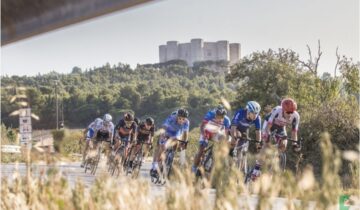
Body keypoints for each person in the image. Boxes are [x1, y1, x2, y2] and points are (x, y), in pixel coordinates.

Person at [150, 108, 190, 177]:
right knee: (162, 148)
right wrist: (163, 135)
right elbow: (164, 127)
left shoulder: (186, 122)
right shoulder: (172, 118)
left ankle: (171, 156)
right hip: (167, 131)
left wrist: (184, 142)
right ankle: (155, 167)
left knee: (177, 141)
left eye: (183, 119)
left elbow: (185, 133)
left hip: (176, 134)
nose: (181, 120)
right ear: (177, 116)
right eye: (180, 118)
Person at [192, 105, 231, 172]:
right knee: (201, 150)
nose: (218, 118)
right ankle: (194, 168)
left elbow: (226, 133)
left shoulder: (227, 120)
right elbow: (202, 126)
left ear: (224, 116)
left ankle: (213, 162)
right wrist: (203, 134)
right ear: (215, 114)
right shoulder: (210, 114)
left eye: (221, 117)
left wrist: (225, 142)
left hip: (216, 133)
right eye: (217, 116)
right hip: (207, 131)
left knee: (223, 139)